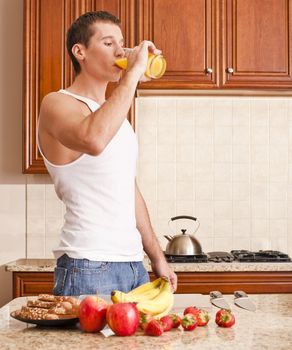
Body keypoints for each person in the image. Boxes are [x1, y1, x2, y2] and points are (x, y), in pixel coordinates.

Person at [38, 11, 177, 296]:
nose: (120, 51)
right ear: (80, 52)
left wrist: (157, 257)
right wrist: (134, 72)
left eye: (122, 44)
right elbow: (94, 139)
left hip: (132, 264)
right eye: (108, 43)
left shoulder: (117, 119)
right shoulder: (57, 104)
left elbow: (129, 191)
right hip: (88, 264)